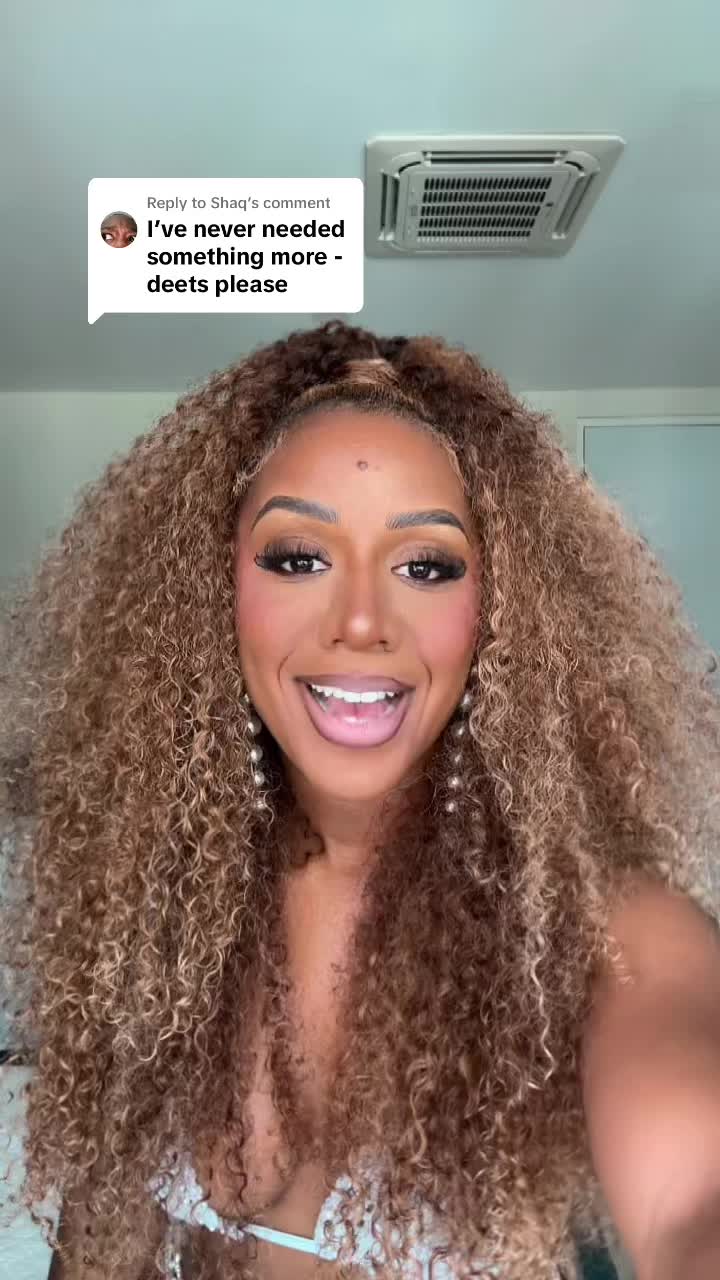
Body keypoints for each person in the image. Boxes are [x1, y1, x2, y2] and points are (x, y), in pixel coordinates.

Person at [2, 320, 720, 1280]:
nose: (361, 622)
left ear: (503, 611)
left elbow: (691, 1202)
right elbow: (98, 1236)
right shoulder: (156, 893)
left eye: (427, 566)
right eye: (299, 557)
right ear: (209, 592)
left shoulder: (598, 927)